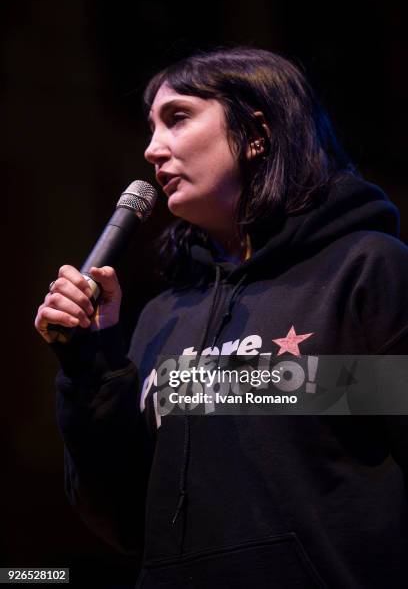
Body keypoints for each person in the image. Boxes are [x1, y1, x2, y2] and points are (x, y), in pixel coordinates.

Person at [35, 47, 408, 588]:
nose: (151, 149)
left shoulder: (367, 271)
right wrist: (89, 364)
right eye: (150, 127)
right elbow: (123, 520)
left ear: (256, 132)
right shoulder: (163, 314)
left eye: (178, 118)